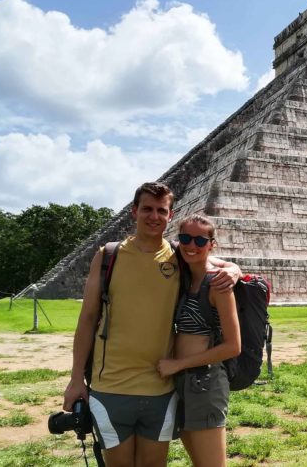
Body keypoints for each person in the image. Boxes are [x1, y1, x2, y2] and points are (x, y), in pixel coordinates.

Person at [63, 182, 241, 467]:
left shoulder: (177, 256)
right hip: (110, 386)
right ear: (134, 211)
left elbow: (208, 259)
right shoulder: (109, 255)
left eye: (161, 210)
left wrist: (234, 269)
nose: (154, 216)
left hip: (160, 388)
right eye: (146, 208)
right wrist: (75, 380)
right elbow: (86, 319)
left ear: (170, 215)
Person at [157, 214, 241, 467]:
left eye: (199, 240)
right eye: (185, 238)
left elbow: (232, 346)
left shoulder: (218, 284)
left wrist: (178, 365)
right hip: (181, 381)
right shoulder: (184, 277)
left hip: (204, 381)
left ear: (211, 244)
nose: (191, 245)